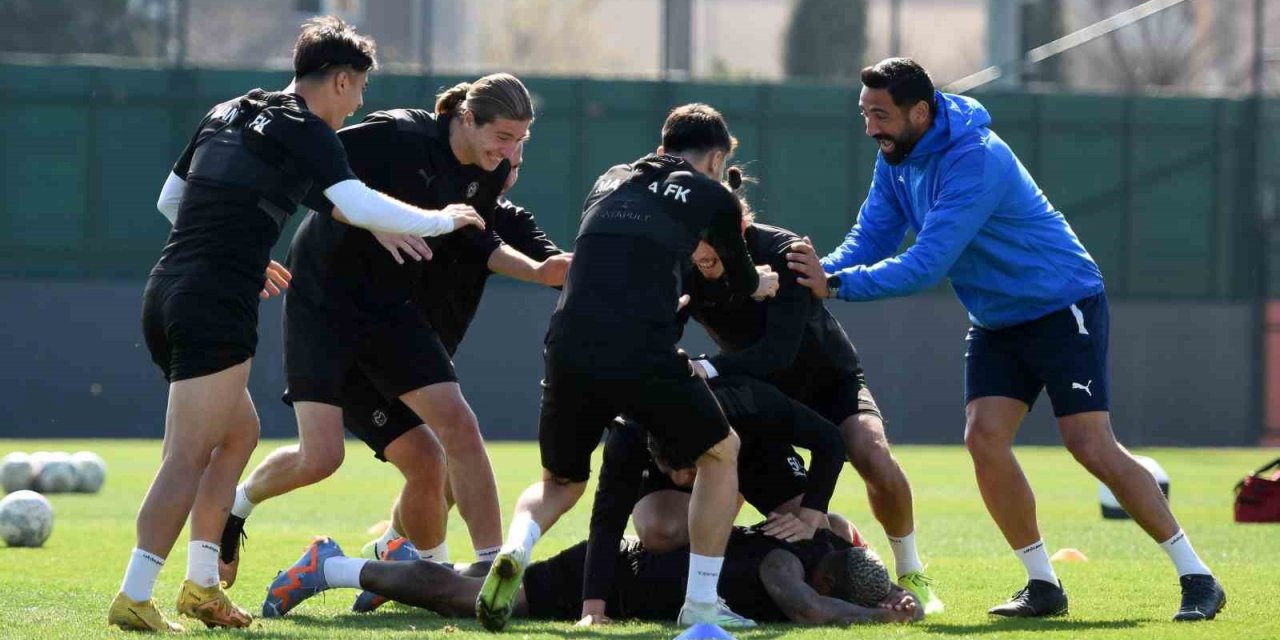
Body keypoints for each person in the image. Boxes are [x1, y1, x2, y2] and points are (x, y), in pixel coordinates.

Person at [786, 57, 1226, 621]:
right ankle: (1043, 584)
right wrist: (815, 274)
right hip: (996, 321)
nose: (871, 126)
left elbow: (925, 264)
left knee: (1089, 443)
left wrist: (835, 285)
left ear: (919, 111)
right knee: (984, 439)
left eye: (881, 114)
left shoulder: (977, 157)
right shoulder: (896, 158)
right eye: (864, 113)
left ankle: (1198, 577)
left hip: (1061, 304)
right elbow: (871, 233)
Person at [110, 16, 488, 633]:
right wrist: (444, 218)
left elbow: (171, 202)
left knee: (237, 437)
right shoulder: (308, 129)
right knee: (185, 456)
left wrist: (244, 251)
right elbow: (356, 201)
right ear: (340, 80)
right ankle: (134, 594)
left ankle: (202, 586)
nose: (361, 102)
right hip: (214, 304)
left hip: (167, 291)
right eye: (360, 88)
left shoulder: (230, 109)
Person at [219, 74, 539, 589]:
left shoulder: (484, 177)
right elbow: (305, 168)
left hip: (391, 312)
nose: (509, 152)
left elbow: (487, 247)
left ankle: (473, 571)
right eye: (503, 137)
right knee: (320, 457)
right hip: (322, 305)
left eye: (521, 140)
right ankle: (233, 508)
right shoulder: (398, 134)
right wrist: (368, 220)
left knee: (448, 437)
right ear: (464, 119)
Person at [475, 103, 780, 631]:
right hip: (640, 347)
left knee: (560, 482)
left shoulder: (610, 179)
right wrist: (763, 283)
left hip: (567, 341)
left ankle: (516, 548)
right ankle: (703, 604)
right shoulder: (714, 195)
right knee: (721, 451)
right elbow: (738, 278)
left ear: (662, 147)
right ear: (715, 158)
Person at [682, 216, 942, 613]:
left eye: (709, 242)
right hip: (763, 394)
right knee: (748, 489)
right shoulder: (685, 258)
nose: (700, 254)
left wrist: (711, 368)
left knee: (871, 453)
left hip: (829, 382)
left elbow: (777, 352)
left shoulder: (786, 254)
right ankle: (707, 589)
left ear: (738, 231)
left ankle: (910, 572)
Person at [578, 373, 848, 625]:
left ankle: (841, 531)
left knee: (819, 534)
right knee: (662, 531)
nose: (681, 480)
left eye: (692, 471)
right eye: (670, 470)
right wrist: (593, 609)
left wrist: (810, 517)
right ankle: (731, 544)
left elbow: (831, 441)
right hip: (685, 461)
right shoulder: (629, 431)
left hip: (755, 452)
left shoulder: (750, 401)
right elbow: (607, 517)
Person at [261, 527, 921, 627]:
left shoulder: (818, 544)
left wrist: (893, 593)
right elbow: (801, 607)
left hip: (619, 566)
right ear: (831, 578)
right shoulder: (790, 562)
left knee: (472, 577)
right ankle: (331, 567)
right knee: (484, 601)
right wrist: (880, 617)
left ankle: (399, 563)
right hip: (611, 577)